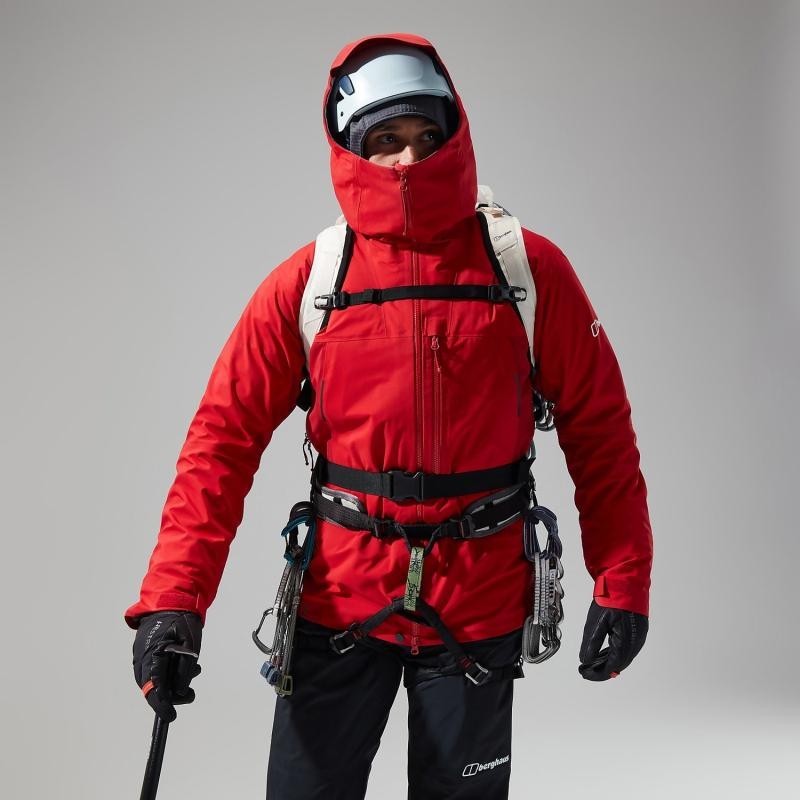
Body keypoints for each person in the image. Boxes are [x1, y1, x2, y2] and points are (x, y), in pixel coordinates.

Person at [127, 33, 653, 799]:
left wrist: (623, 582)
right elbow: (221, 441)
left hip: (476, 607)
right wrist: (174, 601)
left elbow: (601, 429)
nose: (408, 159)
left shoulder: (526, 270)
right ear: (352, 148)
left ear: (454, 133)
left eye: (425, 136)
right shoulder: (312, 282)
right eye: (386, 140)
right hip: (340, 602)